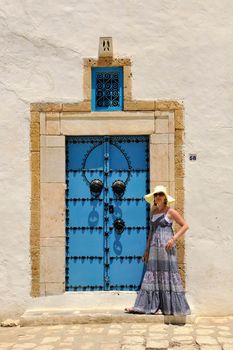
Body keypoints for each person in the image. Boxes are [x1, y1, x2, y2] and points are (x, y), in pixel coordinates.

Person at [125, 185, 191, 315]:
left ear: (165, 197)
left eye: (160, 194)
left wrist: (173, 239)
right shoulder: (153, 212)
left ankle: (171, 307)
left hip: (166, 248)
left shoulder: (170, 212)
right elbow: (151, 232)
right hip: (155, 249)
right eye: (156, 195)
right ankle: (144, 306)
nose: (158, 197)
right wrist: (146, 250)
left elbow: (185, 226)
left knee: (168, 273)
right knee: (153, 274)